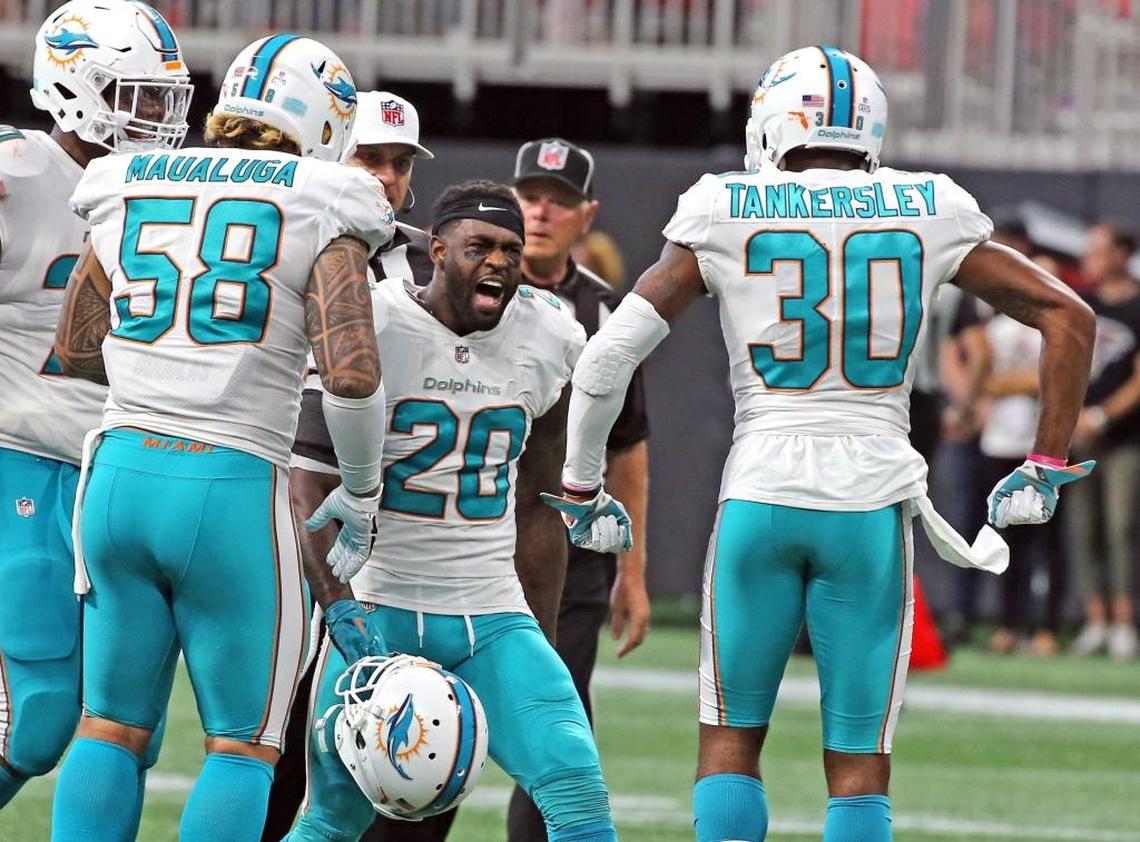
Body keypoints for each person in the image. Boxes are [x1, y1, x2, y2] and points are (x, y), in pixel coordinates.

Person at [544, 46, 1096, 842]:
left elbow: (604, 361)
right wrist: (1043, 465)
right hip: (869, 504)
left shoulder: (726, 204)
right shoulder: (927, 203)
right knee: (860, 764)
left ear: (773, 121)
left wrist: (582, 487)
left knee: (730, 743)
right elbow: (1068, 315)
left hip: (761, 489)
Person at [48, 34, 395, 841]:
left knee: (110, 724)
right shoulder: (326, 195)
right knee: (242, 745)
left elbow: (74, 347)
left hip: (119, 478)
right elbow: (350, 375)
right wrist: (365, 492)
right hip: (232, 484)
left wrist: (167, 369)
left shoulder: (128, 177)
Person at [285, 181, 618, 842]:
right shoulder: (372, 323)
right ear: (437, 251)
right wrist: (343, 611)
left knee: (579, 791)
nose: (498, 261)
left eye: (510, 250)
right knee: (333, 817)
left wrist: (540, 637)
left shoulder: (547, 334)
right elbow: (306, 490)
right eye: (479, 247)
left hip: (490, 615)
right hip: (381, 608)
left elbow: (537, 505)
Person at [0, 0, 190, 814]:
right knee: (37, 716)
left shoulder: (159, 190)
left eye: (164, 99)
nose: (157, 119)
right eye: (137, 96)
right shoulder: (20, 172)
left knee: (121, 725)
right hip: (23, 459)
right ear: (72, 85)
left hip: (122, 478)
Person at [261, 88, 437, 842]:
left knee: (410, 737)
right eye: (371, 157)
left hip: (396, 523)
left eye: (400, 163)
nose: (387, 177)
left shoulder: (431, 260)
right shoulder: (286, 237)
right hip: (283, 499)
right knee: (275, 729)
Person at [508, 137, 651, 842]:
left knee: (556, 737)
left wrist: (635, 567)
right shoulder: (448, 285)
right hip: (456, 541)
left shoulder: (609, 314)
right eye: (530, 195)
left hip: (568, 554)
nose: (540, 211)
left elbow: (628, 448)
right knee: (423, 730)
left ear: (585, 215)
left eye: (558, 200)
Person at [1068, 224, 1140, 660]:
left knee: (1121, 528)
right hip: (1079, 434)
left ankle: (1123, 621)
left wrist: (1101, 414)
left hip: (1126, 436)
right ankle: (1095, 620)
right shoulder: (1083, 304)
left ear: (1122, 254)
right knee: (1083, 528)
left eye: (1099, 250)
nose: (1089, 258)